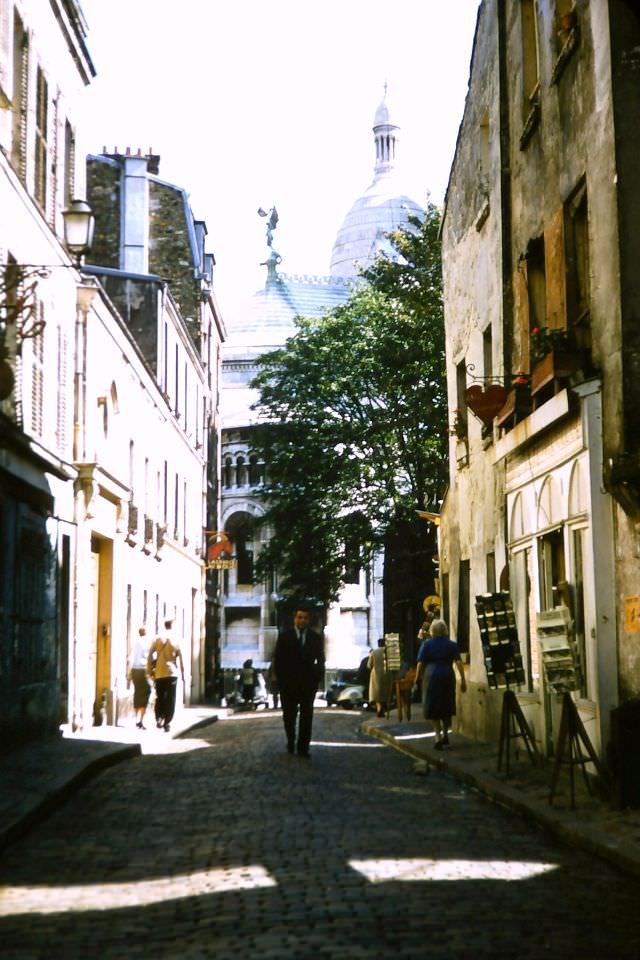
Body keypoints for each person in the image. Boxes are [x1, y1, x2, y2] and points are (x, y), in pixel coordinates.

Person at [273, 605, 325, 758]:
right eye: (300, 617)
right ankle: (291, 739)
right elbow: (278, 660)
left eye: (305, 618)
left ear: (308, 620)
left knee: (306, 716)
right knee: (289, 716)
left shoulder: (315, 638)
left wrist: (317, 679)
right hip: (288, 685)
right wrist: (281, 681)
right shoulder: (284, 636)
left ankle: (303, 747)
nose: (302, 620)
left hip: (308, 685)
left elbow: (321, 660)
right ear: (295, 619)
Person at [414, 618, 466, 749]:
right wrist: (463, 680)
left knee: (433, 704)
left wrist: (417, 677)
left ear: (432, 630)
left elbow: (420, 663)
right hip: (448, 674)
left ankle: (437, 736)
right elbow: (459, 663)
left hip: (431, 675)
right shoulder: (452, 645)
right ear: (445, 630)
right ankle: (445, 733)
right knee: (446, 704)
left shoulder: (427, 644)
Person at [147, 619, 185, 732]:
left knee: (159, 696)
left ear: (165, 625)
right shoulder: (177, 639)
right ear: (172, 626)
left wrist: (149, 670)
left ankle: (158, 717)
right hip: (172, 673)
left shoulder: (157, 638)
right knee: (170, 698)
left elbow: (149, 654)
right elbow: (181, 658)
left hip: (159, 672)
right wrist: (183, 674)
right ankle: (167, 722)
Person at [130, 626, 151, 729]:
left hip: (134, 670)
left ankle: (136, 718)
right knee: (146, 693)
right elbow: (149, 657)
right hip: (143, 670)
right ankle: (140, 720)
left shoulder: (134, 642)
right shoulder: (147, 642)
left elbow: (131, 656)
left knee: (137, 693)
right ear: (145, 633)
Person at [367, 638, 390, 718]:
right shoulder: (388, 653)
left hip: (376, 674)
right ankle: (382, 709)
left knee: (377, 694)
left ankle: (379, 708)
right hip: (387, 674)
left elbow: (369, 665)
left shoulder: (374, 653)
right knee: (385, 692)